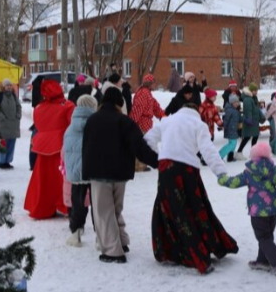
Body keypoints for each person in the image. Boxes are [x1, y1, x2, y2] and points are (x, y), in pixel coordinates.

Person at [144, 102, 238, 274]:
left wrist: (159, 157)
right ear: (196, 112)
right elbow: (207, 149)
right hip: (187, 170)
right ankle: (202, 254)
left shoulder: (167, 121)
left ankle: (169, 250)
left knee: (169, 209)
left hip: (166, 170)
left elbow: (148, 139)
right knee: (195, 209)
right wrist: (220, 172)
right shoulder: (198, 124)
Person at [83, 88, 159, 263]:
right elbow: (139, 146)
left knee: (104, 212)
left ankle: (113, 251)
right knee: (116, 209)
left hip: (98, 173)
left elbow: (85, 148)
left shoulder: (92, 120)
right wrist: (157, 162)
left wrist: (85, 172)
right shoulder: (124, 121)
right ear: (119, 104)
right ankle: (122, 241)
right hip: (120, 173)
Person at [217, 142, 276, 276]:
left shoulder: (249, 172)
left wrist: (221, 179)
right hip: (272, 210)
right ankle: (262, 261)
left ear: (253, 156)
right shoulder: (274, 170)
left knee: (263, 237)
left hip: (258, 211)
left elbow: (233, 182)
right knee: (267, 236)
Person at [24, 80, 75, 219]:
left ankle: (42, 207)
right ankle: (65, 204)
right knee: (61, 179)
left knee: (43, 179)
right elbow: (73, 125)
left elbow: (39, 125)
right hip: (61, 146)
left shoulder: (39, 108)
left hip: (42, 146)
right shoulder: (68, 106)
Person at [63, 95, 97, 246]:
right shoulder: (97, 123)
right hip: (94, 170)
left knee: (77, 201)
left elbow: (66, 150)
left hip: (76, 171)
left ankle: (76, 233)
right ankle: (100, 236)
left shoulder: (71, 127)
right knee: (98, 203)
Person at [0, 79, 22, 170]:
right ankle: (1, 161)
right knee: (3, 143)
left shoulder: (14, 95)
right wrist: (1, 117)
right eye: (7, 85)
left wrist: (18, 115)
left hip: (13, 124)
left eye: (10, 85)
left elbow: (19, 106)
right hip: (3, 124)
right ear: (3, 86)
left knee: (11, 143)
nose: (9, 87)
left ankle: (7, 161)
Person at [232, 83, 264, 161]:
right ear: (250, 91)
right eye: (254, 90)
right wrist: (249, 119)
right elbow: (247, 110)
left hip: (254, 120)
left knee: (252, 136)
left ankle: (251, 153)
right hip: (250, 121)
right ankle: (241, 152)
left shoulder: (253, 97)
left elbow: (255, 108)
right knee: (248, 137)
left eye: (256, 90)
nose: (256, 92)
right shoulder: (248, 99)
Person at [220, 94, 241, 160]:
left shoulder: (234, 110)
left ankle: (230, 157)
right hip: (230, 129)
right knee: (232, 144)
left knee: (233, 144)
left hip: (233, 129)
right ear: (232, 102)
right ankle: (219, 155)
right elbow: (226, 120)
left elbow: (239, 118)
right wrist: (223, 126)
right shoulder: (229, 110)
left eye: (237, 102)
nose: (237, 103)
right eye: (235, 102)